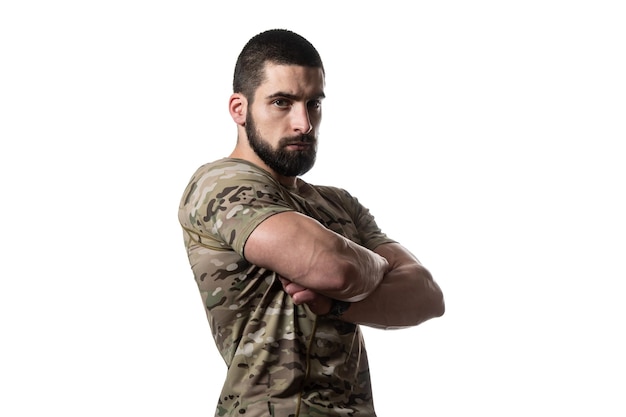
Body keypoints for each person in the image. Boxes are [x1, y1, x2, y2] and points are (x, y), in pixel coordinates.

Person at [178, 28, 445, 417]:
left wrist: (337, 306)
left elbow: (427, 296)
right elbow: (334, 268)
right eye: (282, 103)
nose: (303, 123)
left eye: (313, 104)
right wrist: (381, 267)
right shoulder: (219, 183)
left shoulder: (338, 203)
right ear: (239, 109)